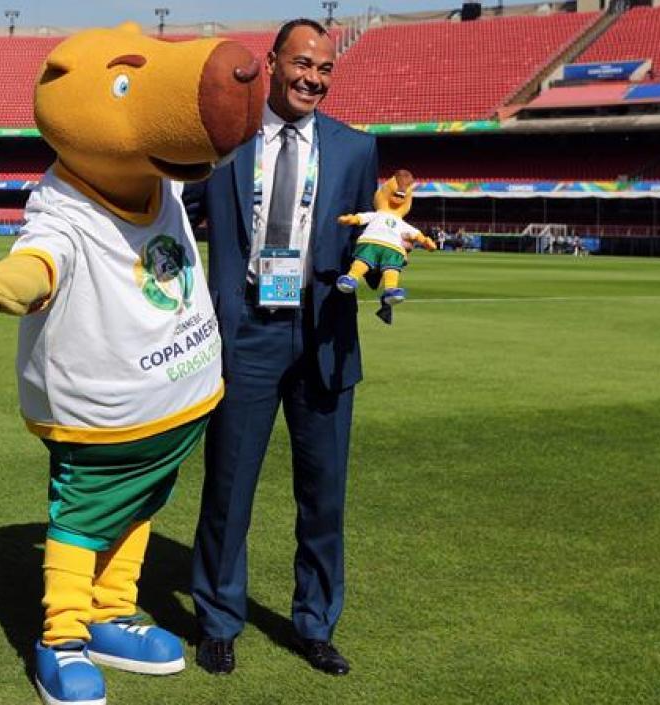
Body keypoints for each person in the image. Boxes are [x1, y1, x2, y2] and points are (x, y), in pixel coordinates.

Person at [183, 18, 378, 678]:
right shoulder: (226, 145)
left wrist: (383, 254)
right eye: (302, 64)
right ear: (272, 63)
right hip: (248, 333)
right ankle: (216, 618)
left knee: (323, 495)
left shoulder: (356, 150)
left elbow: (362, 246)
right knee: (228, 487)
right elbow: (172, 214)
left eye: (324, 69)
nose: (313, 78)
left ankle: (316, 622)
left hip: (323, 336)